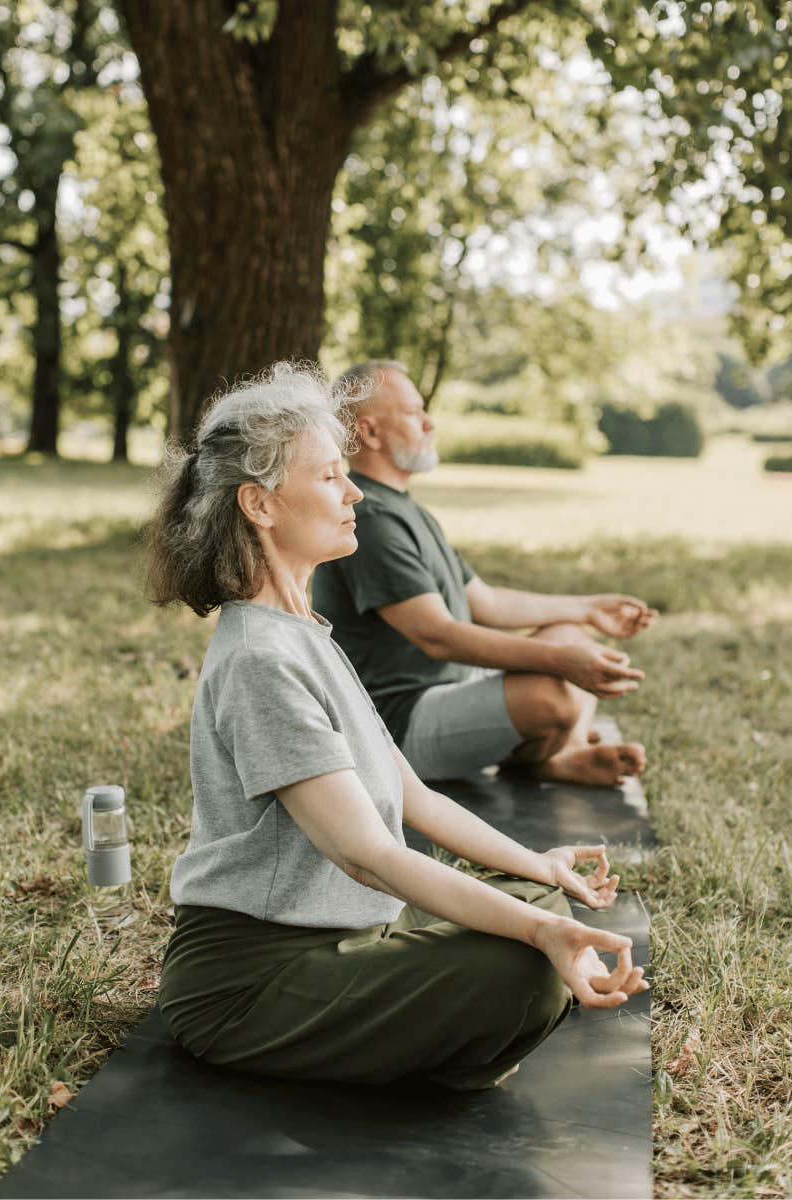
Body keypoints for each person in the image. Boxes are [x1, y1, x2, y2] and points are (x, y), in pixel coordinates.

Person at [145, 362, 648, 1092]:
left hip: (350, 932)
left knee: (536, 902)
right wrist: (541, 935)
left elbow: (416, 798)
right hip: (250, 981)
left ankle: (432, 1028)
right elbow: (367, 855)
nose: (353, 493)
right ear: (258, 503)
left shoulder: (304, 632)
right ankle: (434, 1041)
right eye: (328, 477)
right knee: (525, 967)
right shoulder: (259, 658)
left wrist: (540, 867)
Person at [311, 360, 657, 787]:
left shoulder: (405, 509)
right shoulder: (371, 519)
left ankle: (559, 756)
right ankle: (554, 753)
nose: (429, 422)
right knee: (553, 695)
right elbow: (437, 636)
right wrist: (560, 662)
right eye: (414, 413)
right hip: (397, 726)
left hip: (449, 689)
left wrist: (587, 609)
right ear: (370, 433)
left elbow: (487, 603)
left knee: (570, 635)